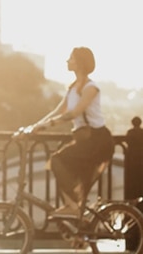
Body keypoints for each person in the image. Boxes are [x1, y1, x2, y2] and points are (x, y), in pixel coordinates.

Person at [26, 46, 115, 217]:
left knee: (57, 160)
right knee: (64, 169)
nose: (67, 61)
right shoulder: (73, 88)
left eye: (71, 58)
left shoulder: (91, 87)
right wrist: (35, 126)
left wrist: (47, 125)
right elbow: (58, 111)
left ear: (80, 63)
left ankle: (73, 206)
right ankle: (78, 222)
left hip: (97, 141)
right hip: (85, 141)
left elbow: (74, 113)